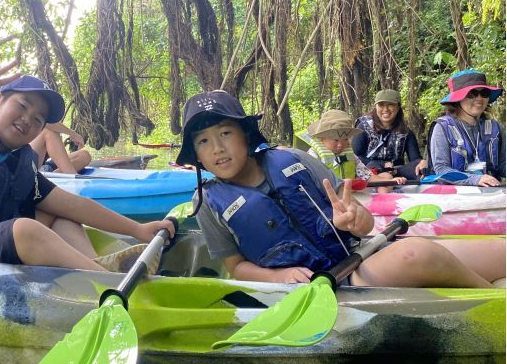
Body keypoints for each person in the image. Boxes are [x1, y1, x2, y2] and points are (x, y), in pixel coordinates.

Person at [177, 90, 504, 287]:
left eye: (225, 134)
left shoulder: (294, 160)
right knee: (417, 252)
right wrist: (277, 277)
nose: (217, 148)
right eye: (203, 141)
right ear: (196, 154)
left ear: (246, 135)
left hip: (364, 253)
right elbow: (235, 267)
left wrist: (357, 220)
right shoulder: (206, 202)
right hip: (335, 282)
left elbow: (360, 221)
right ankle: (492, 299)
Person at [0, 65, 175, 271]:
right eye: (22, 105)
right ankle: (110, 286)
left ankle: (92, 267)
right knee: (25, 229)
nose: (27, 119)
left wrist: (137, 229)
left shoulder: (22, 167)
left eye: (38, 119)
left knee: (61, 216)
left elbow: (74, 205)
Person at [427, 69, 505, 187]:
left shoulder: (495, 127)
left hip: (491, 194)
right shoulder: (442, 127)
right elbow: (441, 170)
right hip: (454, 197)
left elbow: (503, 164)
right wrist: (474, 179)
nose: (479, 98)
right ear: (458, 99)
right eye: (471, 94)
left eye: (484, 93)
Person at [305, 109, 406, 191]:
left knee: (387, 176)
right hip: (327, 198)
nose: (340, 145)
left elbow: (367, 176)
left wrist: (391, 181)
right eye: (335, 140)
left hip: (350, 195)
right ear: (322, 138)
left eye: (345, 139)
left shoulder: (350, 156)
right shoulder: (312, 156)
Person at [353, 89, 426, 180]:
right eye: (381, 105)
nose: (385, 109)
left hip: (396, 171)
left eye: (390, 105)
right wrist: (382, 164)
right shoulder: (363, 127)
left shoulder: (406, 132)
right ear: (376, 107)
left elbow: (415, 159)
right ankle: (385, 181)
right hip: (371, 172)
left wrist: (421, 163)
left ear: (398, 107)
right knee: (373, 165)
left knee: (420, 167)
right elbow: (355, 156)